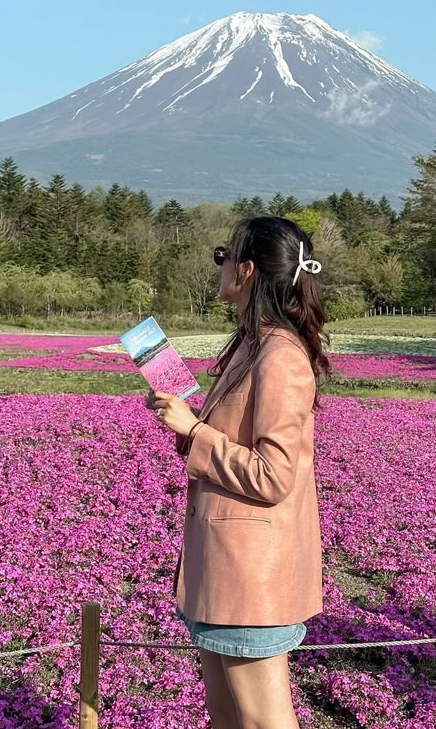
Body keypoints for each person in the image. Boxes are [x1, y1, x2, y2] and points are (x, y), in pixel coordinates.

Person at [146, 216, 330, 729]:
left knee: (263, 722)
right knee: (228, 718)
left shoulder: (280, 357)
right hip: (225, 570)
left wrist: (195, 432)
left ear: (246, 270)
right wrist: (184, 424)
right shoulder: (251, 345)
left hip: (253, 578)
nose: (219, 265)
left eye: (222, 255)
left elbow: (274, 475)